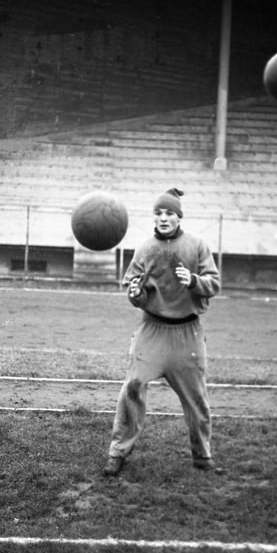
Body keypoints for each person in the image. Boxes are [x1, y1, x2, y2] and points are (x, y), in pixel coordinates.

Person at [104, 188, 221, 476]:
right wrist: (136, 294)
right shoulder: (145, 248)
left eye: (169, 213)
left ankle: (202, 456)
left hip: (187, 333)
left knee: (196, 397)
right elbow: (136, 291)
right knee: (132, 386)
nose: (164, 218)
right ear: (154, 217)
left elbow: (213, 284)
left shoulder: (196, 245)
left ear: (179, 217)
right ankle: (118, 452)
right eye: (159, 213)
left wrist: (193, 280)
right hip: (152, 329)